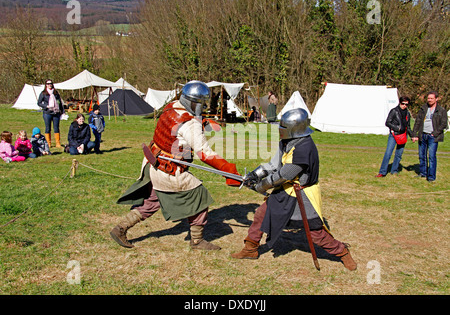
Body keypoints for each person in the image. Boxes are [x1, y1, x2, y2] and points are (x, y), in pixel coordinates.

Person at [110, 80, 241, 250]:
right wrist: (229, 170)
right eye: (201, 104)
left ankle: (120, 229)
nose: (203, 107)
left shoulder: (172, 106)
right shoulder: (190, 125)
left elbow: (178, 127)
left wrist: (202, 122)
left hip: (153, 163)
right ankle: (197, 241)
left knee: (150, 203)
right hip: (169, 170)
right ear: (194, 103)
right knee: (200, 197)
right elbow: (205, 153)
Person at [231, 108, 357, 271]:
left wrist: (260, 186)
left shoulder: (304, 148)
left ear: (294, 129)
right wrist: (255, 174)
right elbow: (273, 165)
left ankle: (342, 252)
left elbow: (284, 174)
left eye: (283, 127)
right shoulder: (287, 141)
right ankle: (250, 249)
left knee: (315, 233)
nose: (280, 130)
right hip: (285, 190)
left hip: (302, 194)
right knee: (261, 214)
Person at [411, 91, 448, 182]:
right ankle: (423, 173)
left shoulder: (441, 110)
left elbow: (443, 124)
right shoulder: (423, 108)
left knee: (431, 156)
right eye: (428, 98)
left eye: (431, 98)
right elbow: (418, 122)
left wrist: (435, 133)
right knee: (421, 155)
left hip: (433, 136)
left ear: (436, 99)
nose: (429, 100)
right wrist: (415, 134)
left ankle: (431, 176)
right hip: (422, 135)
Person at [376, 96, 412, 177]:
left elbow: (408, 126)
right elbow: (387, 122)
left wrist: (412, 136)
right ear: (400, 102)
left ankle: (394, 170)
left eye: (406, 104)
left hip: (403, 136)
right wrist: (396, 128)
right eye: (403, 103)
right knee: (388, 153)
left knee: (399, 154)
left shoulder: (407, 113)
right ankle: (382, 172)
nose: (404, 106)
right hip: (394, 135)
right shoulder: (394, 111)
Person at [37, 79, 66, 149]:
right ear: (46, 85)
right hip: (47, 112)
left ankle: (58, 143)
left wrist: (62, 111)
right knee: (48, 128)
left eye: (50, 83)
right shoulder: (43, 93)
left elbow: (59, 102)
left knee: (56, 128)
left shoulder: (56, 93)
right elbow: (39, 103)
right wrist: (46, 106)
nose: (49, 85)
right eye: (48, 84)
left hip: (56, 112)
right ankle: (48, 143)